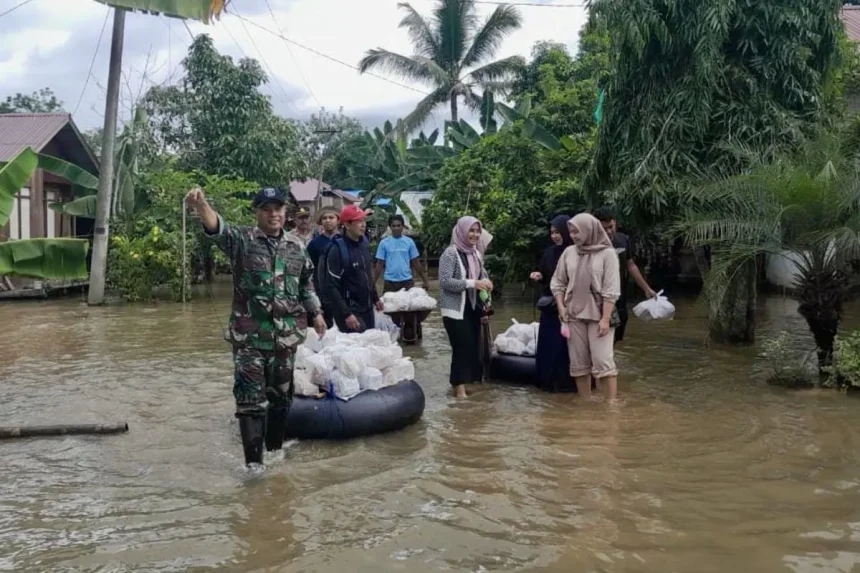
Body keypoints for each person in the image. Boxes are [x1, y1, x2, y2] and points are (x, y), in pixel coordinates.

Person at [185, 186, 327, 467]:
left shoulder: (297, 246)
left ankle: (274, 454)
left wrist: (317, 313)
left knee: (280, 400)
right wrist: (202, 205)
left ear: (285, 212)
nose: (273, 214)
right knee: (250, 401)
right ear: (257, 212)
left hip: (285, 339)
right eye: (266, 209)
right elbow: (217, 228)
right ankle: (253, 467)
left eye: (277, 208)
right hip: (250, 338)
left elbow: (305, 283)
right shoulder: (242, 240)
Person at [551, 213, 621, 399]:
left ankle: (611, 406)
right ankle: (585, 403)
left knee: (602, 360)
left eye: (577, 231)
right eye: (571, 231)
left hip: (600, 313)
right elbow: (558, 282)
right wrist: (561, 308)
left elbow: (611, 289)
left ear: (589, 229)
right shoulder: (569, 252)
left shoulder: (608, 254)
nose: (573, 235)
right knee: (578, 362)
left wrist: (605, 319)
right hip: (573, 313)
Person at [439, 216, 493, 399]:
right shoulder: (450, 254)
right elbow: (445, 282)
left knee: (471, 347)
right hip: (454, 309)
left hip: (472, 307)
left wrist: (486, 282)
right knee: (460, 347)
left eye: (478, 231)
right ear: (462, 231)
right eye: (471, 230)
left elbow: (481, 274)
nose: (475, 235)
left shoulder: (476, 253)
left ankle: (460, 385)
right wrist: (472, 283)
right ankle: (460, 389)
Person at [593, 206, 657, 343]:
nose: (609, 231)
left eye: (611, 226)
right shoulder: (590, 245)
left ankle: (612, 360)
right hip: (598, 298)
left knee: (617, 334)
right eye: (604, 229)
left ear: (615, 222)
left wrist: (646, 289)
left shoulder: (622, 240)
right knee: (600, 334)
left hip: (620, 294)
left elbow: (631, 265)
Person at [529, 215, 576, 392]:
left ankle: (569, 385)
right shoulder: (549, 252)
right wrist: (538, 276)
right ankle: (547, 383)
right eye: (552, 233)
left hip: (571, 307)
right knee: (549, 345)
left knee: (567, 348)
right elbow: (545, 274)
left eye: (558, 232)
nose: (555, 236)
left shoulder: (576, 251)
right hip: (551, 307)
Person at [320, 204, 383, 333]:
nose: (363, 224)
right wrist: (346, 314)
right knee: (356, 349)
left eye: (363, 220)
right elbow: (331, 286)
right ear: (347, 225)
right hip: (350, 312)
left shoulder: (364, 243)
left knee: (371, 345)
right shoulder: (337, 249)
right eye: (358, 221)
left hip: (367, 308)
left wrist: (375, 298)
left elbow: (367, 274)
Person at [374, 214, 429, 292]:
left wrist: (425, 280)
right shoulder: (384, 243)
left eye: (398, 225)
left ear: (403, 226)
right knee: (389, 304)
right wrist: (373, 283)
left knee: (408, 304)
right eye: (394, 226)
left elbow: (416, 262)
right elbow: (379, 263)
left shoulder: (409, 242)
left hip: (407, 281)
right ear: (390, 227)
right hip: (390, 282)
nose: (396, 228)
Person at [306, 206, 340, 328]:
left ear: (338, 220)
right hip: (322, 289)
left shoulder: (343, 240)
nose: (328, 220)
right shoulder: (315, 244)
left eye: (331, 217)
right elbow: (309, 268)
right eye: (324, 218)